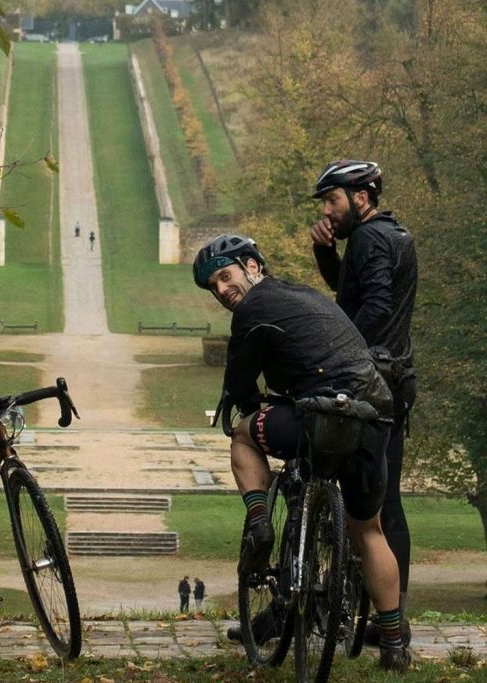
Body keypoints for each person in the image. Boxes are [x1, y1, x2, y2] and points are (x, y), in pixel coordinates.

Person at [193, 234, 410, 672]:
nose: (221, 290)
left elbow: (239, 386)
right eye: (212, 287)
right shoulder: (307, 295)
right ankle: (393, 646)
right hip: (374, 415)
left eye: (224, 275)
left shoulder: (253, 310)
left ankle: (259, 524)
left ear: (253, 266)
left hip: (320, 415)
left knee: (242, 435)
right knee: (369, 532)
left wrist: (251, 408)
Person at [310, 160, 417, 645]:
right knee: (387, 503)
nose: (329, 211)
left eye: (333, 200)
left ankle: (334, 606)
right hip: (396, 377)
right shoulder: (391, 235)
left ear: (362, 196)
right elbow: (356, 293)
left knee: (360, 500)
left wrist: (337, 351)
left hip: (373, 380)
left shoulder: (371, 239)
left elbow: (372, 307)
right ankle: (389, 618)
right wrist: (326, 255)